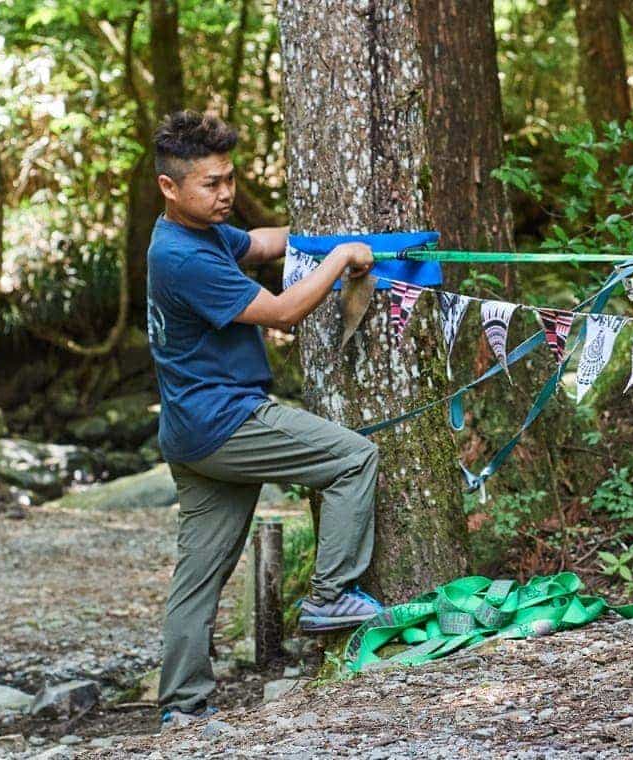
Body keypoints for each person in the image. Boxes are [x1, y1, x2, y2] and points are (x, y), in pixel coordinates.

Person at [147, 110, 383, 728]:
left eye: (228, 179)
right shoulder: (182, 258)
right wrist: (342, 259)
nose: (225, 193)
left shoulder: (200, 232)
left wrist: (322, 236)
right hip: (226, 422)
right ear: (170, 187)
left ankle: (183, 709)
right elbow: (283, 312)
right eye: (210, 184)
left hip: (189, 429)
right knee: (353, 457)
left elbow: (263, 243)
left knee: (199, 576)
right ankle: (332, 596)